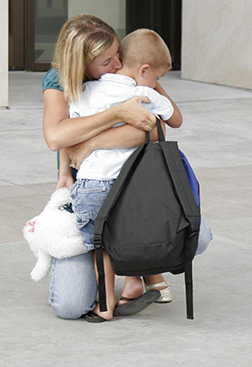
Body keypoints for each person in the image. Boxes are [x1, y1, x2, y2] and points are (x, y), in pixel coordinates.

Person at [42, 14, 172, 319]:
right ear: (80, 66)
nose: (116, 66)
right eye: (107, 61)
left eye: (118, 55)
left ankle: (138, 272)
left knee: (194, 234)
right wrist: (118, 113)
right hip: (89, 188)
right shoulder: (60, 82)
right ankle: (135, 269)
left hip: (131, 186)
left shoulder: (126, 76)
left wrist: (91, 142)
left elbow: (156, 129)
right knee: (71, 305)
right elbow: (57, 136)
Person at [69, 28, 183, 322]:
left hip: (92, 185)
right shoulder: (142, 92)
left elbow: (72, 131)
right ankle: (139, 280)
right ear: (145, 70)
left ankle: (105, 305)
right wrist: (154, 88)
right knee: (128, 236)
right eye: (157, 76)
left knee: (100, 247)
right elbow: (176, 120)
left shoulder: (83, 90)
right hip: (130, 187)